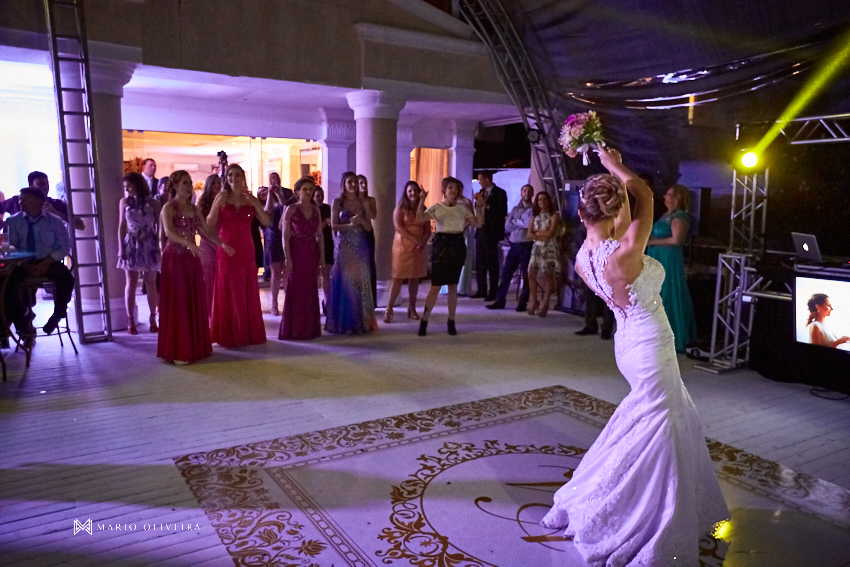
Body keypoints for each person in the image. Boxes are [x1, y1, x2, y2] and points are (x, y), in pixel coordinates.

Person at [540, 146, 729, 565]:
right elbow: (642, 190)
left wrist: (614, 183)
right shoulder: (625, 253)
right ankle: (647, 516)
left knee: (657, 420)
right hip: (648, 344)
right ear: (614, 210)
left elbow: (634, 200)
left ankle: (656, 501)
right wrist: (613, 163)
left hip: (628, 344)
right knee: (661, 427)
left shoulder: (584, 259)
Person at [158, 170, 234, 365]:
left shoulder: (193, 208)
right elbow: (168, 232)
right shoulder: (168, 207)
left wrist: (221, 243)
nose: (189, 185)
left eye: (190, 182)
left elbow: (205, 231)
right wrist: (188, 243)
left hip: (191, 258)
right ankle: (178, 350)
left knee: (193, 299)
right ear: (175, 185)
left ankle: (194, 347)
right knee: (179, 301)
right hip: (175, 257)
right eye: (184, 182)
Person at [206, 164, 271, 347]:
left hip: (246, 247)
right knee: (227, 287)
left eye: (237, 175)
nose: (233, 178)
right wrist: (216, 205)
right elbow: (209, 223)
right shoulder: (221, 198)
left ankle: (247, 332)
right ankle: (228, 333)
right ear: (227, 178)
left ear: (243, 178)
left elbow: (266, 222)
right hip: (225, 248)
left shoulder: (249, 199)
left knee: (246, 287)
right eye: (230, 175)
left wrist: (257, 205)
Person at [414, 177, 485, 336]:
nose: (453, 190)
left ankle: (451, 320)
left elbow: (478, 224)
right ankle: (425, 319)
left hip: (457, 244)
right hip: (441, 245)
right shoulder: (437, 207)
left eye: (456, 188)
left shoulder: (463, 208)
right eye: (450, 188)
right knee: (435, 285)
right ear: (444, 191)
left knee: (453, 286)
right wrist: (422, 200)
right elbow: (419, 219)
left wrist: (479, 205)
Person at [3, 187, 75, 341]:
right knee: (5, 284)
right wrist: (24, 264)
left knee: (66, 278)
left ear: (38, 202)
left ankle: (58, 314)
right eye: (20, 199)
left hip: (47, 260)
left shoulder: (54, 221)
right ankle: (24, 318)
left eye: (24, 199)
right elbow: (7, 248)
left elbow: (63, 246)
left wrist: (47, 262)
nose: (20, 202)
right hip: (21, 262)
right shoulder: (12, 221)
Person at [646, 184, 697, 351]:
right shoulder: (665, 215)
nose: (665, 197)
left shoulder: (680, 216)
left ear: (676, 198)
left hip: (668, 258)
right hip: (657, 256)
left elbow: (676, 240)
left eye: (668, 194)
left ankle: (673, 335)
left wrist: (651, 242)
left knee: (669, 292)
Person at [325, 171, 377, 335]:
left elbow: (369, 227)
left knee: (361, 282)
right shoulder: (337, 202)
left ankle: (361, 322)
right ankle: (343, 322)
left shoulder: (363, 203)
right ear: (344, 185)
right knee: (345, 282)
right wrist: (349, 225)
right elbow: (333, 226)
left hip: (361, 246)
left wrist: (361, 221)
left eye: (355, 182)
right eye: (350, 182)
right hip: (344, 246)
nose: (353, 185)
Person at [279, 176, 324, 340]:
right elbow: (284, 235)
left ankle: (310, 328)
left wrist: (323, 258)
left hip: (311, 252)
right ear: (298, 191)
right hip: (296, 251)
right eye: (305, 189)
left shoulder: (316, 209)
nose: (309, 192)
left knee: (310, 288)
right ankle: (296, 329)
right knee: (296, 289)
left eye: (311, 189)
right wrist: (287, 257)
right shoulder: (291, 209)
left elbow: (320, 234)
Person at [117, 172, 161, 334]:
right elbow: (122, 226)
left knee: (151, 282)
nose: (127, 189)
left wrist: (159, 247)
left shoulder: (154, 203)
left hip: (149, 242)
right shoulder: (124, 202)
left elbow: (159, 227)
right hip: (131, 242)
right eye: (125, 187)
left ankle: (152, 317)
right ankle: (131, 320)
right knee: (131, 282)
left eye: (129, 186)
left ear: (138, 184)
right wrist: (121, 248)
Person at [385, 181, 431, 323]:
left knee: (415, 278)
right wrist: (414, 239)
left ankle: (412, 308)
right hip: (402, 245)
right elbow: (398, 227)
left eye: (415, 191)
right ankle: (389, 309)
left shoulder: (424, 208)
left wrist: (422, 242)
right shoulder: (401, 207)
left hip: (419, 247)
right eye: (410, 191)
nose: (413, 193)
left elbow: (427, 230)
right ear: (406, 192)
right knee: (398, 277)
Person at [486, 184, 534, 312]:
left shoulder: (534, 209)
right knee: (506, 274)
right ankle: (500, 300)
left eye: (529, 191)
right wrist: (520, 223)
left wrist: (516, 222)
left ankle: (523, 302)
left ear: (532, 193)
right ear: (521, 193)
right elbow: (507, 226)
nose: (527, 193)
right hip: (514, 245)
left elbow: (528, 224)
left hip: (526, 245)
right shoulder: (515, 209)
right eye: (524, 190)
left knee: (526, 275)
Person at [0, 172, 85, 231]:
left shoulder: (55, 204)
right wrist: (7, 225)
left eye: (47, 184)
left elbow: (80, 225)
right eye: (41, 184)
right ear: (31, 185)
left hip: (48, 254)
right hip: (20, 253)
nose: (45, 187)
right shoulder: (16, 201)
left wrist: (56, 213)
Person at [471, 171, 507, 301]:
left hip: (492, 232)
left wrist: (487, 204)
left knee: (492, 262)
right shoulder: (481, 192)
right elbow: (479, 209)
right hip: (481, 230)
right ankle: (481, 289)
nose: (479, 182)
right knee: (480, 262)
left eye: (480, 180)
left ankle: (493, 291)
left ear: (487, 179)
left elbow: (501, 212)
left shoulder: (500, 193)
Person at [526, 191, 561, 317]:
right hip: (537, 248)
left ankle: (545, 303)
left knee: (548, 275)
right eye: (539, 199)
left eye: (544, 199)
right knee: (531, 274)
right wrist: (540, 234)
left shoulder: (554, 215)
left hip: (549, 248)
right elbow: (529, 234)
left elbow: (551, 233)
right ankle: (534, 299)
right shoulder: (534, 216)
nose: (542, 202)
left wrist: (537, 233)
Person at [196, 174, 222, 318]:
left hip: (222, 241)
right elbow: (200, 228)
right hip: (207, 244)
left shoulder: (224, 201)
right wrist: (214, 243)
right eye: (214, 183)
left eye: (219, 183)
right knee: (209, 278)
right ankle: (208, 312)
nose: (217, 186)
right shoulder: (203, 202)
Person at [357, 174, 378, 307]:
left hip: (368, 232)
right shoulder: (351, 201)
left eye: (365, 183)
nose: (364, 185)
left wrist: (365, 205)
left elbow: (373, 216)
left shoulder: (370, 200)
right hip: (355, 233)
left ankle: (370, 302)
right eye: (361, 183)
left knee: (369, 264)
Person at [313, 186, 333, 313]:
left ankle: (327, 301)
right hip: (313, 243)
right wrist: (324, 223)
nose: (320, 198)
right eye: (317, 196)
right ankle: (313, 302)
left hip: (327, 242)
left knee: (326, 274)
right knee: (314, 274)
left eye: (322, 195)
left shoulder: (327, 208)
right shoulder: (310, 209)